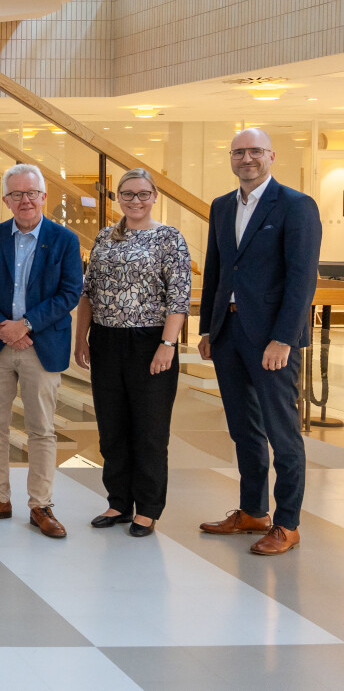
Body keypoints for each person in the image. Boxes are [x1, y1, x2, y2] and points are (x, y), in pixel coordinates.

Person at [198, 128, 322, 556]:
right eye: (238, 152)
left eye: (254, 151)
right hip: (228, 334)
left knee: (282, 433)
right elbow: (216, 270)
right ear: (230, 157)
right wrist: (207, 329)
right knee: (243, 430)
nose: (246, 158)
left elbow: (302, 279)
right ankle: (253, 511)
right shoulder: (221, 206)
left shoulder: (296, 205)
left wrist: (283, 338)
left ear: (271, 155)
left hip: (272, 340)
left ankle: (287, 524)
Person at [0, 164, 82, 538]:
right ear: (7, 200)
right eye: (16, 194)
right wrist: (3, 326)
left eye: (31, 193)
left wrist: (25, 325)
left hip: (40, 344)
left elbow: (69, 292)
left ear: (44, 197)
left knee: (41, 429)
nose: (24, 200)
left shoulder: (65, 239)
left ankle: (40, 505)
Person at [75, 169, 191, 538]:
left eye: (143, 194)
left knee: (150, 430)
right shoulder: (105, 237)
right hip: (107, 341)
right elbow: (88, 292)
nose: (135, 201)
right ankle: (119, 501)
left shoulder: (169, 238)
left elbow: (178, 297)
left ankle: (148, 507)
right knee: (112, 428)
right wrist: (82, 339)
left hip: (150, 341)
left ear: (155, 196)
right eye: (127, 194)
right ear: (117, 198)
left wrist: (167, 346)